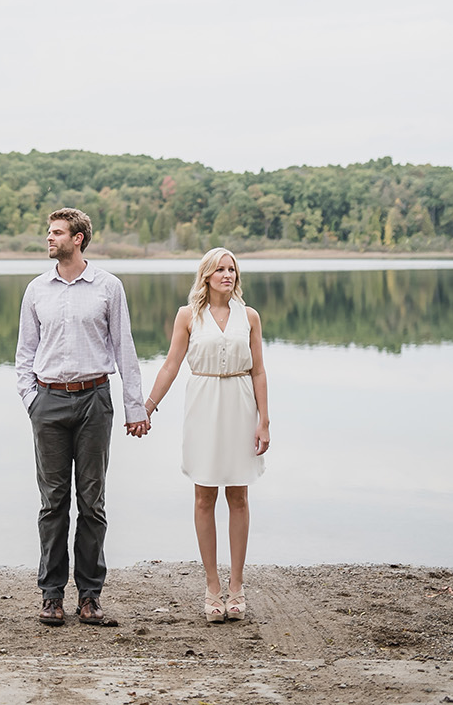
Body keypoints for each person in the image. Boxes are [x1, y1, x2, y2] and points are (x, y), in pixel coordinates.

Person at [16, 207, 150, 627]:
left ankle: (90, 597)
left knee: (92, 503)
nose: (49, 239)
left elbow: (124, 348)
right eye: (48, 233)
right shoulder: (37, 289)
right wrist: (31, 400)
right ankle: (52, 596)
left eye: (56, 233)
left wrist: (135, 406)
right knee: (53, 503)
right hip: (49, 403)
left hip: (95, 400)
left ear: (78, 238)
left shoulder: (108, 287)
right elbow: (25, 353)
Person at [143, 248, 270, 624]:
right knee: (204, 496)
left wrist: (264, 420)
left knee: (239, 495)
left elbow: (259, 371)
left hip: (240, 404)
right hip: (203, 404)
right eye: (220, 269)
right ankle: (212, 585)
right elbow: (171, 364)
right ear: (206, 276)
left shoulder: (249, 317)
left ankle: (236, 585)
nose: (227, 275)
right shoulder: (188, 316)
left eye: (232, 269)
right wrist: (147, 406)